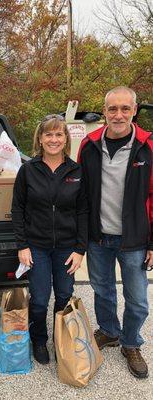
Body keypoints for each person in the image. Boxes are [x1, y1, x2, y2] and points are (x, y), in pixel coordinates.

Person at [78, 86, 153, 379]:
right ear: (105, 111)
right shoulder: (89, 144)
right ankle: (109, 330)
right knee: (103, 290)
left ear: (134, 111)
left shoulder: (147, 147)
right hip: (99, 237)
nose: (118, 115)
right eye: (112, 109)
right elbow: (81, 192)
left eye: (125, 109)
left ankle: (131, 342)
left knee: (137, 298)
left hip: (134, 239)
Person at [11, 114, 88, 364]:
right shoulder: (28, 170)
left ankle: (60, 338)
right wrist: (22, 245)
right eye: (49, 134)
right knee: (40, 298)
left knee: (64, 295)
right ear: (40, 139)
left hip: (67, 247)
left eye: (59, 134)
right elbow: (18, 209)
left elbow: (83, 211)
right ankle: (39, 340)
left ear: (65, 139)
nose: (54, 139)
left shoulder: (76, 171)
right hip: (37, 246)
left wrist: (80, 249)